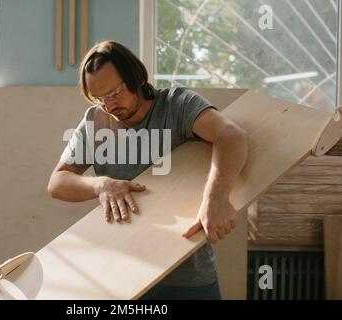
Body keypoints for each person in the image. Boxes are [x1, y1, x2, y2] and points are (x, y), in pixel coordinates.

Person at [47, 40, 248, 300]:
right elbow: (57, 182)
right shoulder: (94, 121)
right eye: (100, 98)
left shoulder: (177, 105)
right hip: (123, 275)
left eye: (115, 93)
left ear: (138, 78)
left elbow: (231, 136)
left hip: (188, 277)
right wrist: (101, 184)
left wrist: (217, 198)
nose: (109, 106)